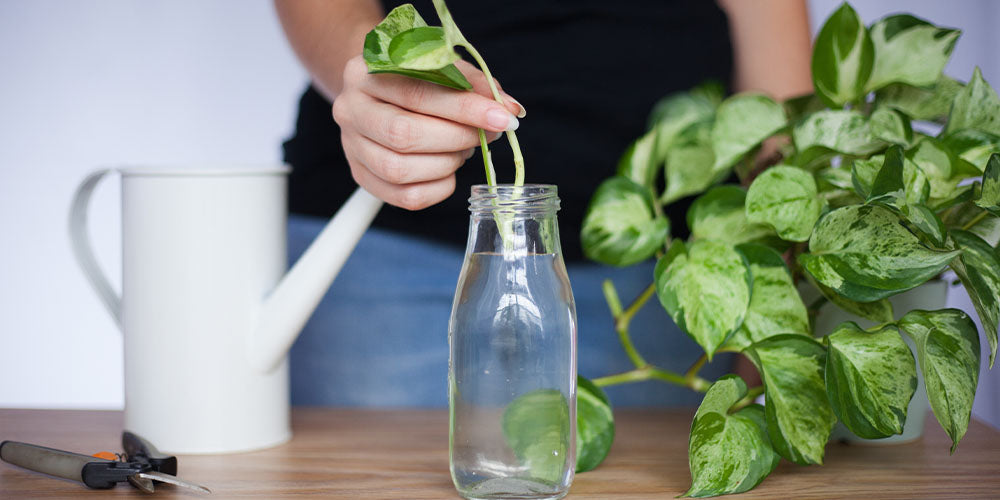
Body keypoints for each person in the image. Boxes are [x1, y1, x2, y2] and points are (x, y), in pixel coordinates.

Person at [274, 0, 813, 406]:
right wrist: (382, 77)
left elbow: (775, 111)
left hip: (669, 289)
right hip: (391, 254)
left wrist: (773, 306)